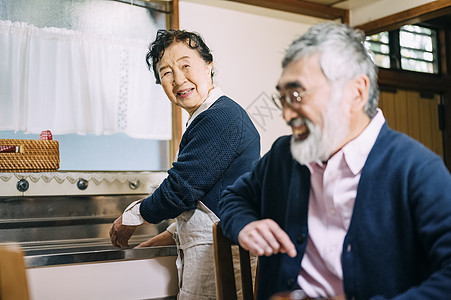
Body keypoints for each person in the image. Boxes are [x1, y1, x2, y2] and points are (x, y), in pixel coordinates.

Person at [219, 22, 451, 300]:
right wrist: (244, 225)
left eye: (297, 95)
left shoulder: (417, 169)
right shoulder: (283, 155)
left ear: (356, 92)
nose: (287, 115)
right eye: (282, 98)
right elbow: (234, 197)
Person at [109, 29, 260, 300]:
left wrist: (130, 218)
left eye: (185, 65)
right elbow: (207, 195)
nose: (179, 79)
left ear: (209, 65)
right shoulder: (207, 116)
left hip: (221, 254)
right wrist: (170, 233)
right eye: (166, 73)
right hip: (212, 248)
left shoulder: (221, 117)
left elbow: (181, 190)